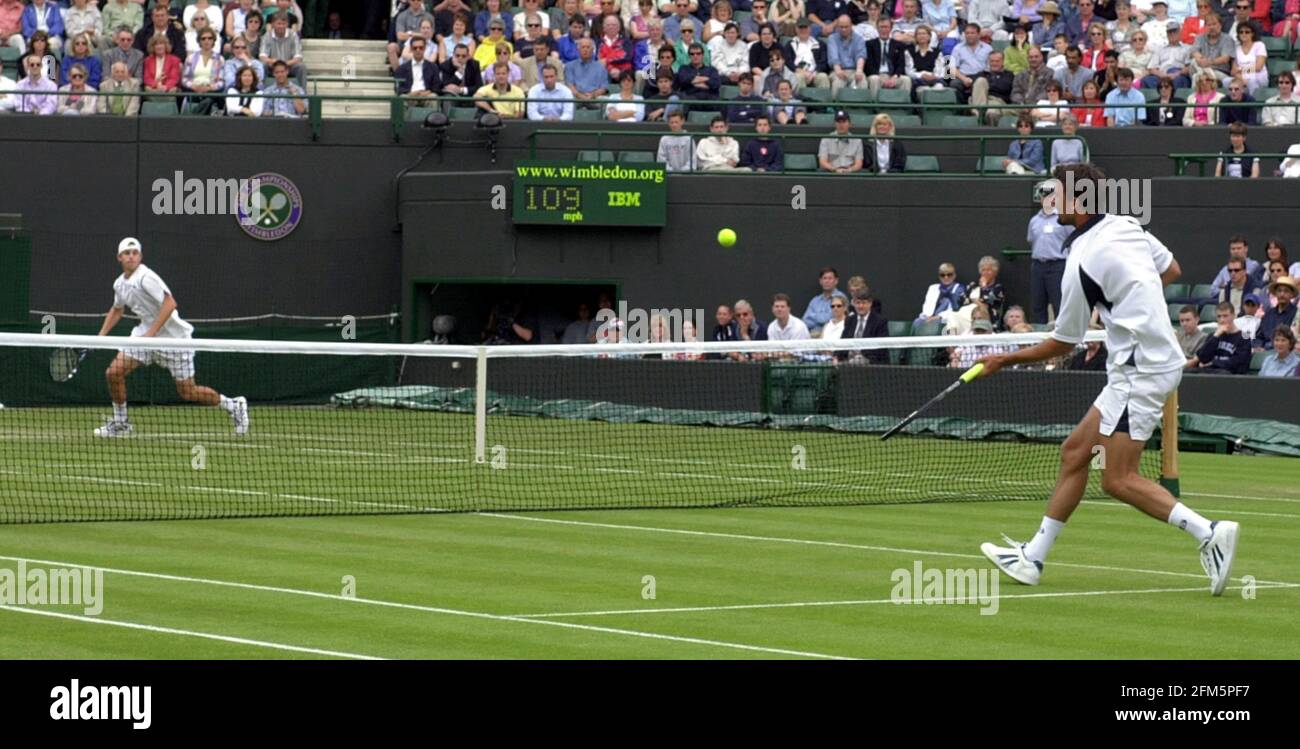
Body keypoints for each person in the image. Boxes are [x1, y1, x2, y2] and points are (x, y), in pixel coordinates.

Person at [977, 162, 1239, 597]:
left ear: (1078, 201)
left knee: (1117, 478)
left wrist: (1005, 359)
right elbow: (1171, 269)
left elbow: (1064, 342)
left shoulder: (1080, 258)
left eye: (1056, 194)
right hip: (1138, 365)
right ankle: (1032, 558)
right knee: (1075, 452)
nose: (1049, 202)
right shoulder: (1128, 225)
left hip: (1140, 370)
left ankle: (1209, 531)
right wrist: (1130, 297)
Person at [94, 238, 248, 438]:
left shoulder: (146, 277)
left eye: (134, 252)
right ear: (119, 258)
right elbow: (117, 309)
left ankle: (233, 405)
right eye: (126, 253)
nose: (131, 256)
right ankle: (121, 423)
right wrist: (100, 336)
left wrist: (151, 335)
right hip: (144, 334)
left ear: (140, 256)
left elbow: (170, 303)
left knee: (187, 391)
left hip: (174, 339)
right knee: (113, 373)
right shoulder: (119, 284)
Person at [1027, 179, 1071, 323]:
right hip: (1038, 265)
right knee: (1037, 304)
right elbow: (1031, 240)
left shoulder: (1063, 218)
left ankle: (1061, 338)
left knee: (1059, 303)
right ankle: (1038, 337)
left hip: (1058, 265)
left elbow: (1072, 240)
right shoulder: (1034, 220)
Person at [1193, 302, 1251, 373]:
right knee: (1187, 372)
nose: (1222, 320)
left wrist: (1213, 363)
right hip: (1210, 372)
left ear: (1233, 316)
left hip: (1229, 375)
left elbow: (1238, 362)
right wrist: (1216, 336)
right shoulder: (1214, 336)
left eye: (1225, 316)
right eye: (1219, 316)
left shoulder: (1244, 338)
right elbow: (1202, 357)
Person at [841, 288, 889, 363]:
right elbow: (843, 341)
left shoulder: (880, 321)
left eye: (864, 303)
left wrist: (863, 359)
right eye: (858, 303)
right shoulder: (849, 320)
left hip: (871, 364)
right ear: (854, 303)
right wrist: (836, 356)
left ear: (870, 303)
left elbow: (881, 349)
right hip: (848, 362)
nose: (860, 306)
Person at [802, 266, 848, 335]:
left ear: (836, 281)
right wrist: (824, 318)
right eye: (824, 278)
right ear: (820, 281)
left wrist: (814, 316)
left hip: (833, 336)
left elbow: (835, 319)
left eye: (830, 278)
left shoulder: (841, 298)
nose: (827, 281)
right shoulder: (815, 301)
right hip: (813, 337)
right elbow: (805, 321)